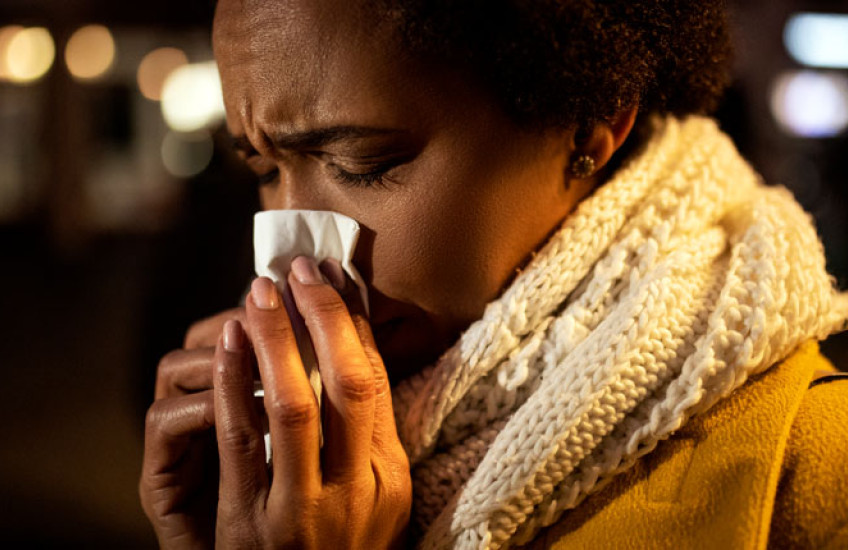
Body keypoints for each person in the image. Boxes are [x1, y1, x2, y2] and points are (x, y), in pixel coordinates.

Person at [139, 0, 848, 548]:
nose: (297, 260)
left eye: (365, 164)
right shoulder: (278, 482)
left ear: (585, 124)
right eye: (262, 170)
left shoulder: (819, 473)